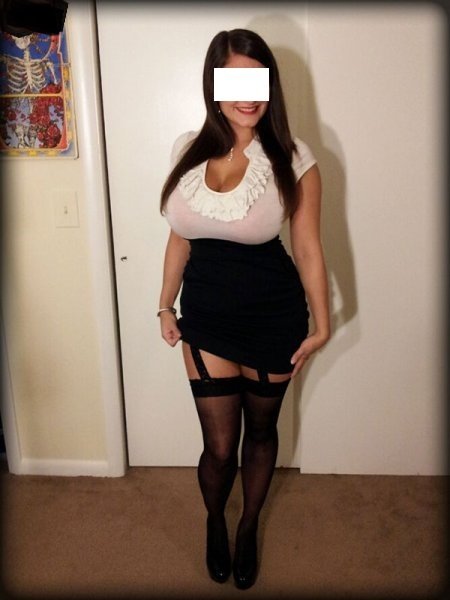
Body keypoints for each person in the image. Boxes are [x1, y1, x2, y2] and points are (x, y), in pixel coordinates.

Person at [158, 28, 330, 590]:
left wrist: (323, 323)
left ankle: (248, 525)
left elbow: (308, 247)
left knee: (260, 432)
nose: (247, 96)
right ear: (214, 86)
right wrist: (164, 306)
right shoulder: (187, 148)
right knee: (218, 447)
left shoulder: (295, 158)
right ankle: (215, 519)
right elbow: (179, 236)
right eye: (234, 81)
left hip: (273, 316)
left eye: (257, 81)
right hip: (206, 316)